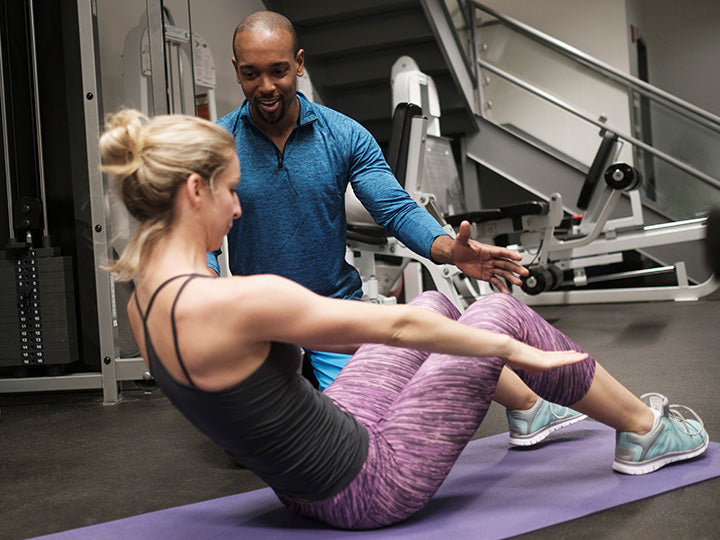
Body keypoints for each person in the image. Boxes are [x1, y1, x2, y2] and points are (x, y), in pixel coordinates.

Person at [100, 109, 709, 530]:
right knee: (495, 310)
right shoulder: (236, 300)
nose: (239, 206)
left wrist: (450, 258)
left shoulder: (144, 300)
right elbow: (392, 332)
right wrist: (516, 348)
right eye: (232, 190)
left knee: (429, 302)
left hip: (305, 482)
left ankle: (529, 407)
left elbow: (403, 318)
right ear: (194, 192)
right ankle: (642, 430)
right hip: (370, 486)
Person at [210, 10, 586, 448]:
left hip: (333, 310)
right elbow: (194, 237)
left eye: (278, 71)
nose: (266, 87)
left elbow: (394, 208)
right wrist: (203, 291)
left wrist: (448, 249)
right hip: (260, 319)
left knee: (361, 424)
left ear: (299, 63)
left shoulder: (343, 134)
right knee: (249, 448)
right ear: (236, 70)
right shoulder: (217, 145)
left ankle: (527, 406)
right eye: (252, 74)